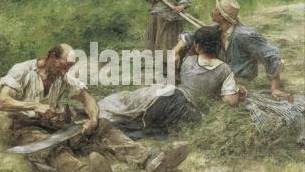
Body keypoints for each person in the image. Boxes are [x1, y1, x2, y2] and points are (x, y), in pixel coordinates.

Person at [0, 43, 190, 172]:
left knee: (103, 126)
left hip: (53, 123)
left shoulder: (62, 77)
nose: (65, 72)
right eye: (64, 66)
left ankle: (149, 159)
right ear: (52, 57)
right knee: (52, 149)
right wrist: (34, 106)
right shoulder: (22, 70)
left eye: (68, 68)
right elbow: (1, 101)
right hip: (24, 126)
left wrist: (93, 119)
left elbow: (87, 98)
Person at [99, 27, 246, 138]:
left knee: (135, 114)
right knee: (152, 129)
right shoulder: (224, 69)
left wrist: (176, 52)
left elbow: (176, 66)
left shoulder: (188, 60)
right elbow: (230, 101)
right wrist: (236, 91)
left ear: (197, 46)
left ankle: (107, 125)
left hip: (167, 97)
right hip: (188, 112)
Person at [174, 0, 292, 102]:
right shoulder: (216, 29)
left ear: (221, 16)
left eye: (216, 9)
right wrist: (175, 51)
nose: (212, 11)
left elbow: (271, 56)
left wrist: (275, 88)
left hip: (242, 82)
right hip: (223, 80)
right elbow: (190, 36)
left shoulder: (244, 35)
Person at [145, 0, 193, 75]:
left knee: (169, 43)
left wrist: (181, 6)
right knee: (157, 43)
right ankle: (161, 66)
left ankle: (173, 67)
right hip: (157, 18)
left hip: (170, 20)